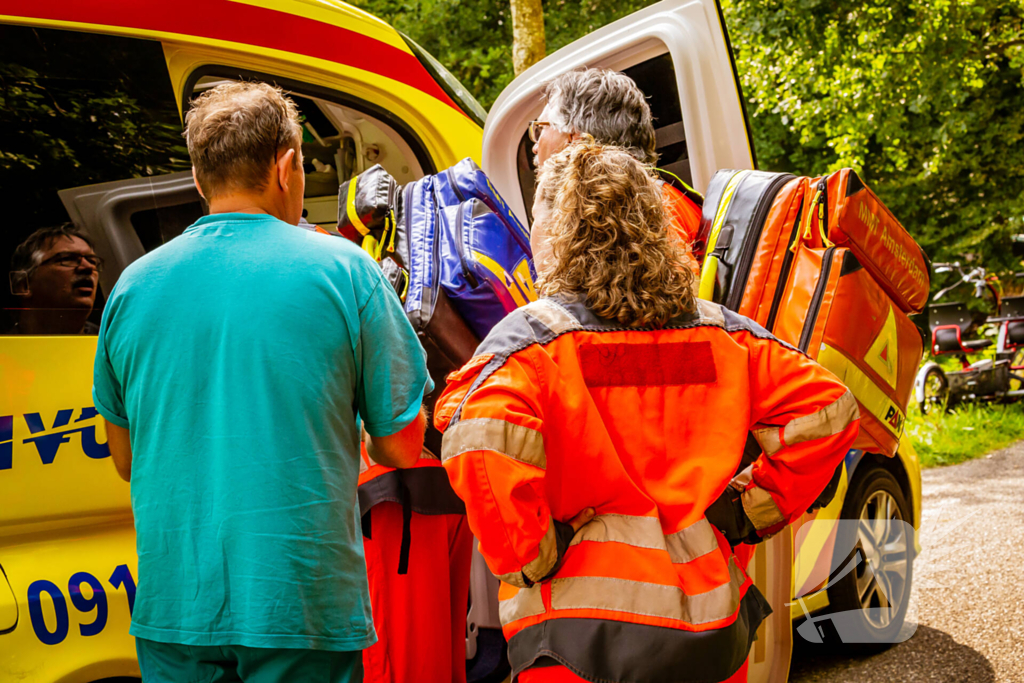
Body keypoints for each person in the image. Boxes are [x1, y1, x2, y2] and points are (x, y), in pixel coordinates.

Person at [434, 142, 859, 683]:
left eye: (537, 216)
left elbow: (479, 439)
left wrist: (531, 557)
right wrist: (744, 512)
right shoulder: (721, 334)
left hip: (575, 638)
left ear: (559, 231)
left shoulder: (532, 341)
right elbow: (830, 410)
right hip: (709, 630)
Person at [92, 81, 432, 683]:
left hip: (176, 610)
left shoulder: (132, 288)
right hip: (299, 603)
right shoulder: (345, 270)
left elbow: (124, 457)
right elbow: (402, 444)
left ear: (200, 180)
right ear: (288, 165)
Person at [528, 68, 704, 254]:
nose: (535, 146)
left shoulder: (631, 216)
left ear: (575, 139)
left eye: (540, 130)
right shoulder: (655, 197)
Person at [6, 223, 101, 334]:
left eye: (92, 261)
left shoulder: (113, 345)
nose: (88, 267)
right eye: (67, 259)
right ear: (24, 285)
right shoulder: (5, 347)